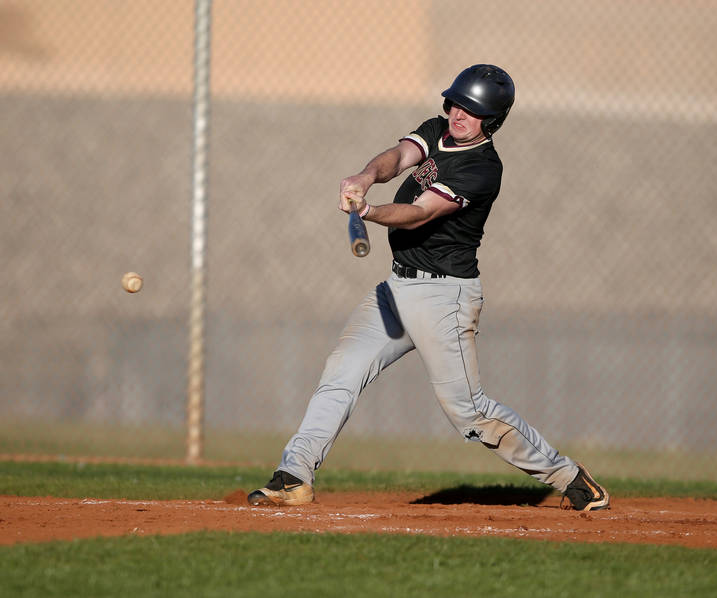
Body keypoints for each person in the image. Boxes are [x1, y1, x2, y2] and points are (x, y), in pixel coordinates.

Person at [247, 64, 609, 512]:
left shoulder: (482, 168)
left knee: (470, 413)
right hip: (397, 287)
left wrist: (370, 211)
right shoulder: (437, 130)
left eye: (472, 110)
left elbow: (419, 213)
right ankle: (294, 476)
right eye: (456, 103)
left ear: (492, 121)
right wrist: (364, 178)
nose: (458, 114)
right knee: (341, 372)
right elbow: (398, 158)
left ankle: (569, 477)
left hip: (445, 297)